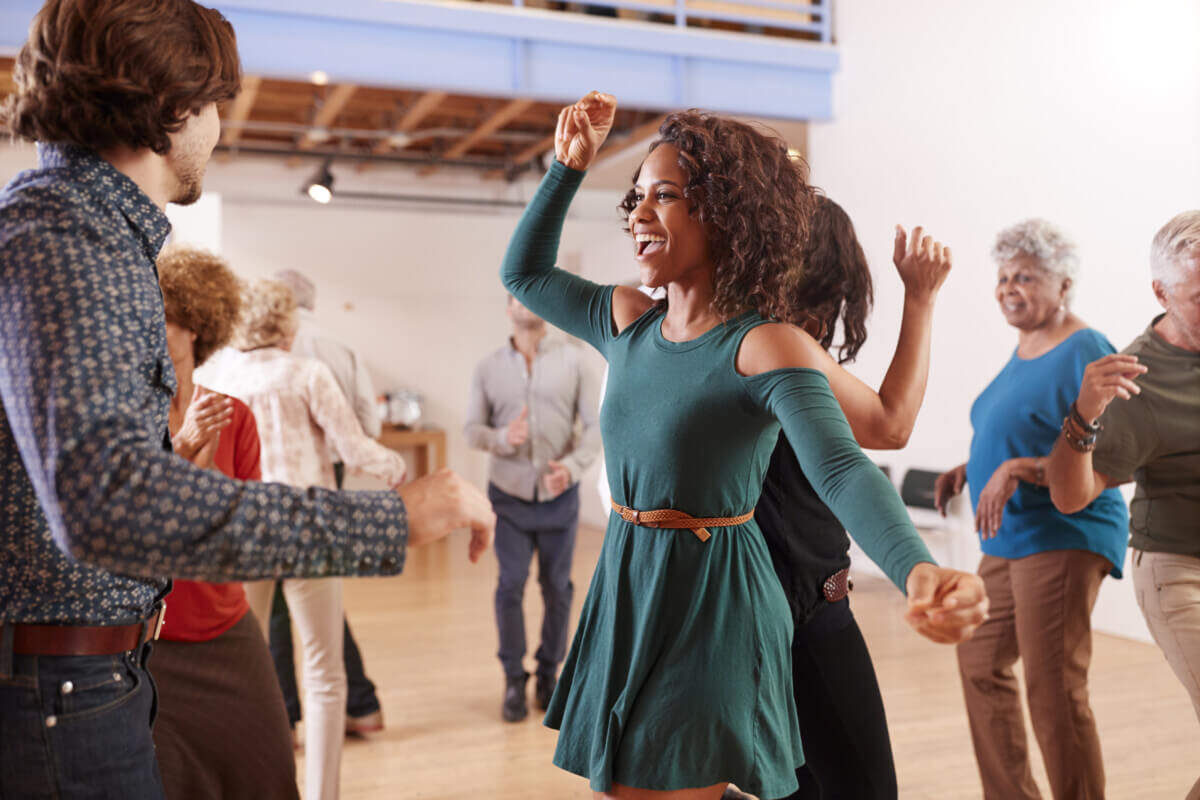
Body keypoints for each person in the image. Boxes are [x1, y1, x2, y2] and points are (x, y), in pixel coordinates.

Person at [0, 2, 493, 797]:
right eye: (215, 104)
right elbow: (106, 503)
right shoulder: (70, 237)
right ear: (173, 105)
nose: (219, 127)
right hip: (62, 692)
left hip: (88, 676)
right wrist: (390, 519)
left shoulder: (85, 235)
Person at [502, 90, 986, 800]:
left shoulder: (764, 345)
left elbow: (843, 468)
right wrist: (566, 167)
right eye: (636, 197)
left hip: (714, 598)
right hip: (629, 582)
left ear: (725, 215)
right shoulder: (628, 319)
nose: (638, 214)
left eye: (664, 196)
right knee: (621, 789)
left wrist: (917, 570)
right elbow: (525, 275)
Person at [747, 198, 961, 800]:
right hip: (803, 609)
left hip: (762, 608)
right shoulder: (778, 345)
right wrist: (921, 299)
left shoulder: (723, 338)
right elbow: (891, 426)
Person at [934, 219, 1129, 800]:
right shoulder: (1025, 348)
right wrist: (973, 466)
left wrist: (1018, 469)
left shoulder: (1086, 348)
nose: (1007, 289)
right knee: (979, 659)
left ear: (1063, 283)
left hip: (1063, 531)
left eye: (1023, 277)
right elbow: (1032, 428)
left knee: (1054, 688)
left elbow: (1114, 453)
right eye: (1002, 278)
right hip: (1010, 536)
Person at [202, 277, 411, 800]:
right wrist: (396, 467)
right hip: (309, 529)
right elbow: (354, 449)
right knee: (323, 673)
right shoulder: (307, 373)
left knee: (249, 669)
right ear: (286, 322)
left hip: (248, 529)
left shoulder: (221, 375)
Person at [1046, 210, 1200, 800]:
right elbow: (1071, 495)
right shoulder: (1139, 380)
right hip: (1180, 573)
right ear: (1161, 292)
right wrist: (1084, 413)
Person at [152, 244, 299, 800]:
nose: (156, 330)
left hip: (226, 628)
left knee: (269, 773)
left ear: (197, 328)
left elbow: (245, 539)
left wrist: (209, 477)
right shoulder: (124, 420)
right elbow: (129, 525)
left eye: (168, 318)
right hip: (150, 643)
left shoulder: (234, 417)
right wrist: (182, 452)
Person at [465, 295, 601, 722]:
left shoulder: (576, 362)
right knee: (510, 585)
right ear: (508, 308)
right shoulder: (487, 367)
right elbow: (471, 430)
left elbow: (596, 425)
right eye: (517, 298)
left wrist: (573, 468)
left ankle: (547, 673)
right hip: (508, 496)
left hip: (559, 494)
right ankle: (512, 677)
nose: (526, 303)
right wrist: (503, 438)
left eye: (533, 295)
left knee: (558, 588)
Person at [269, 268, 386, 737]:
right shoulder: (340, 347)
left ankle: (285, 718)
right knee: (319, 590)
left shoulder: (258, 351)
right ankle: (363, 705)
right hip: (329, 478)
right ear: (311, 303)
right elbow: (368, 426)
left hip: (275, 482)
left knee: (279, 601)